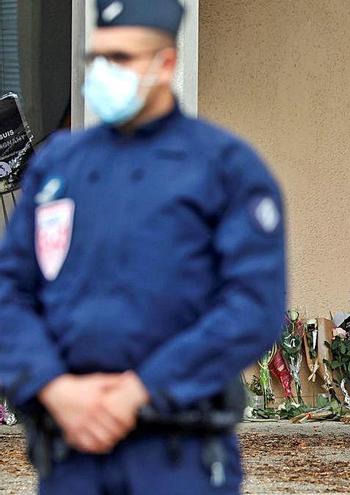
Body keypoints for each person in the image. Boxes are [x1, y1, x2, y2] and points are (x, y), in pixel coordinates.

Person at [0, 1, 286, 493]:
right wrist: (54, 387)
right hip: (72, 454)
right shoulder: (58, 169)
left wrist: (138, 390)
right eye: (98, 58)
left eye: (122, 58)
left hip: (178, 455)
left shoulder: (224, 168)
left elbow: (251, 307)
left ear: (167, 63)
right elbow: (11, 291)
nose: (104, 71)